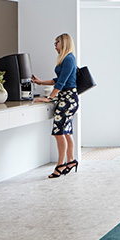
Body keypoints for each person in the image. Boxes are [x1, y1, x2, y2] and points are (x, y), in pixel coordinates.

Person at [32, 33, 79, 178]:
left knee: (59, 133)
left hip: (67, 100)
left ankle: (60, 165)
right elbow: (57, 80)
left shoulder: (69, 59)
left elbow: (61, 82)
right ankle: (70, 161)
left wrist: (49, 98)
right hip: (67, 99)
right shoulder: (66, 59)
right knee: (66, 132)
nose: (55, 46)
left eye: (56, 43)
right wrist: (41, 82)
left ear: (63, 43)